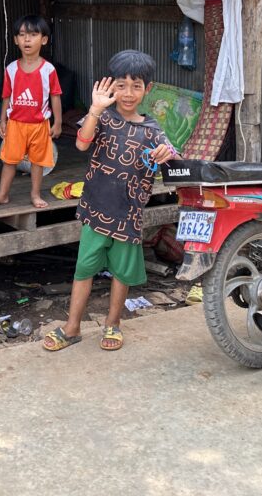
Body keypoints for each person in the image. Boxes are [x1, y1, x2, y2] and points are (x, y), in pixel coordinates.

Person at [42, 50, 176, 352]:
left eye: (136, 86)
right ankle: (72, 327)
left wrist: (166, 154)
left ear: (148, 89)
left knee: (121, 273)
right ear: (109, 86)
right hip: (95, 211)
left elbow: (172, 158)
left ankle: (113, 323)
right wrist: (94, 109)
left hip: (128, 216)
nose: (128, 93)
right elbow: (81, 142)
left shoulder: (153, 130)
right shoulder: (103, 118)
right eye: (121, 85)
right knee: (84, 269)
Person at [0, 15, 62, 209]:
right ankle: (2, 194)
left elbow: (55, 96)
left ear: (43, 40)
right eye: (22, 34)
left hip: (39, 125)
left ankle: (35, 195)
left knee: (37, 162)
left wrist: (58, 122)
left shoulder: (48, 70)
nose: (27, 39)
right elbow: (6, 97)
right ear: (15, 40)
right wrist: (3, 120)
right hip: (15, 124)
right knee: (9, 161)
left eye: (33, 35)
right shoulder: (11, 69)